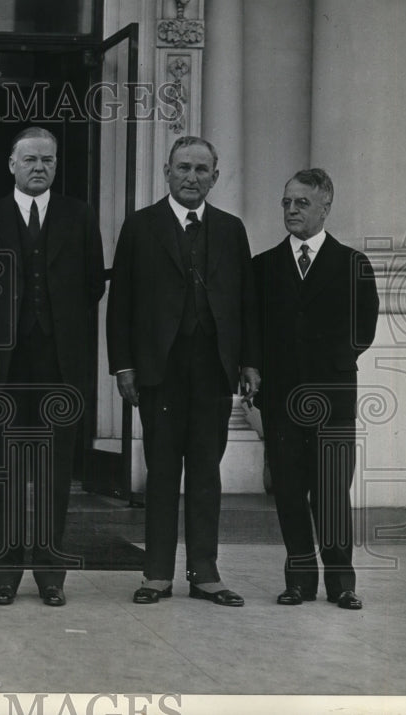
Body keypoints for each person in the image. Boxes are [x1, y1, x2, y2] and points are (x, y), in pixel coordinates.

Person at [106, 135, 259, 607]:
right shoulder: (140, 226)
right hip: (159, 368)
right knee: (162, 470)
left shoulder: (232, 229)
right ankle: (156, 574)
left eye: (201, 169)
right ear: (167, 173)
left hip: (213, 368)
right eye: (183, 168)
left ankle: (205, 574)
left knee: (206, 472)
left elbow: (246, 301)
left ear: (216, 175)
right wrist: (123, 365)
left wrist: (250, 361)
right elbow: (122, 303)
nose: (192, 177)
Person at [0, 126, 106, 607]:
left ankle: (50, 574)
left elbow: (92, 286)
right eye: (30, 160)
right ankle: (4, 573)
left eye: (47, 159)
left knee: (54, 469)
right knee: (4, 469)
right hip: (3, 363)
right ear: (11, 165)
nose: (39, 167)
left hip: (59, 361)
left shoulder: (79, 216)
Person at [253, 169, 378, 610]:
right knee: (287, 489)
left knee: (330, 492)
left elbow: (363, 330)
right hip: (280, 400)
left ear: (325, 206)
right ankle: (300, 580)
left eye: (301, 203)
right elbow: (254, 331)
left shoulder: (353, 263)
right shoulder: (263, 266)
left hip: (333, 398)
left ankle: (341, 582)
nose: (291, 210)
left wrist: (329, 367)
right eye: (286, 202)